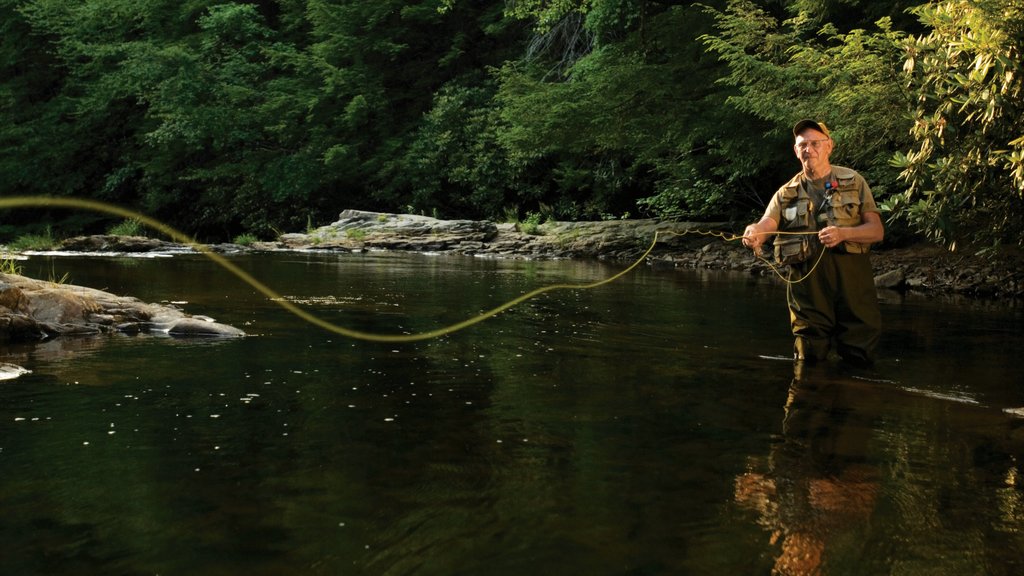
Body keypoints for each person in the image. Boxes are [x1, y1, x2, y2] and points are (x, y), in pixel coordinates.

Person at [742, 119, 884, 365]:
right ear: (796, 152)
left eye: (815, 143)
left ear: (829, 146)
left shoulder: (854, 181)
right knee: (809, 356)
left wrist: (843, 234)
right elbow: (767, 223)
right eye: (803, 145)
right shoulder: (785, 193)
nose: (809, 149)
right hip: (807, 290)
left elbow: (876, 231)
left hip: (852, 284)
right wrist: (754, 232)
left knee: (859, 353)